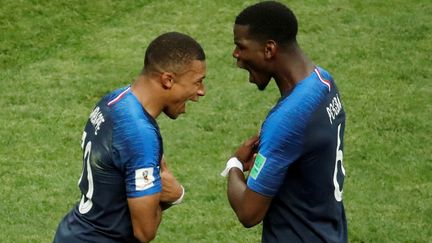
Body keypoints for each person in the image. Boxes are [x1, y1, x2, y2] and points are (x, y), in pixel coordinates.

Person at [54, 32, 206, 243]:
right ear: (168, 79)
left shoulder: (114, 100)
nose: (201, 91)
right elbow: (144, 232)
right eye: (197, 82)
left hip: (73, 231)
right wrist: (173, 196)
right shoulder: (139, 134)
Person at [220, 1, 347, 242]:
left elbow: (249, 212)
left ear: (269, 49)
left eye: (241, 47)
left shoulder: (288, 120)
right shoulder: (324, 83)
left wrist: (234, 164)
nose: (236, 57)